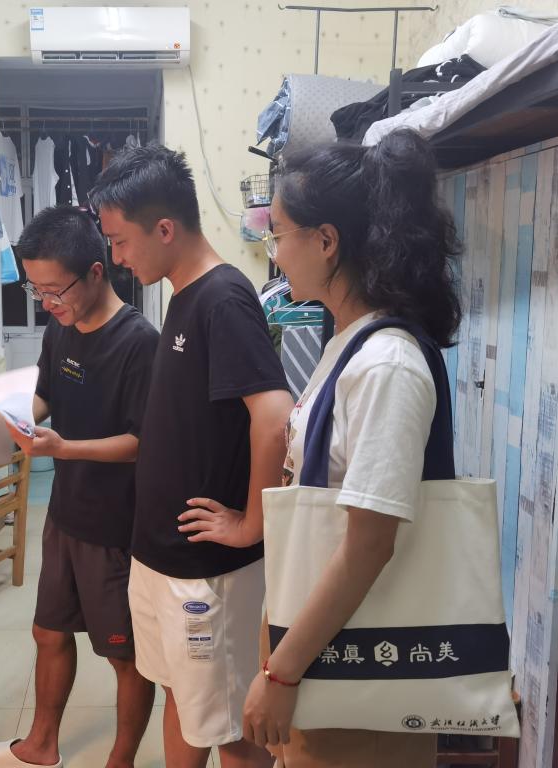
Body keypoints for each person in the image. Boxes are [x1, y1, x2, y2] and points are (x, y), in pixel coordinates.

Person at [180, 129, 463, 767]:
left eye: (278, 234)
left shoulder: (386, 364)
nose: (275, 253)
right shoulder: (349, 342)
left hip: (359, 661)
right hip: (325, 647)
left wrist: (280, 674)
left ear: (326, 240)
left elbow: (369, 546)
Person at [90, 146, 294, 768]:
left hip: (207, 570)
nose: (117, 258)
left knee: (232, 727)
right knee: (182, 696)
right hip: (161, 556)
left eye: (120, 242)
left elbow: (274, 415)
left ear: (164, 229)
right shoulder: (183, 294)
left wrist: (252, 523)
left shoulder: (224, 298)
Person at [0, 205, 159, 768]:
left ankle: (121, 760)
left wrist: (63, 448)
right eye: (36, 290)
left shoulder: (139, 342)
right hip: (65, 516)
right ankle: (41, 745)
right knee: (48, 632)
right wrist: (9, 418)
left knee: (124, 656)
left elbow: (141, 442)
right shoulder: (61, 328)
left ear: (96, 272)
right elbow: (46, 396)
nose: (46, 303)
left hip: (114, 527)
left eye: (54, 290)